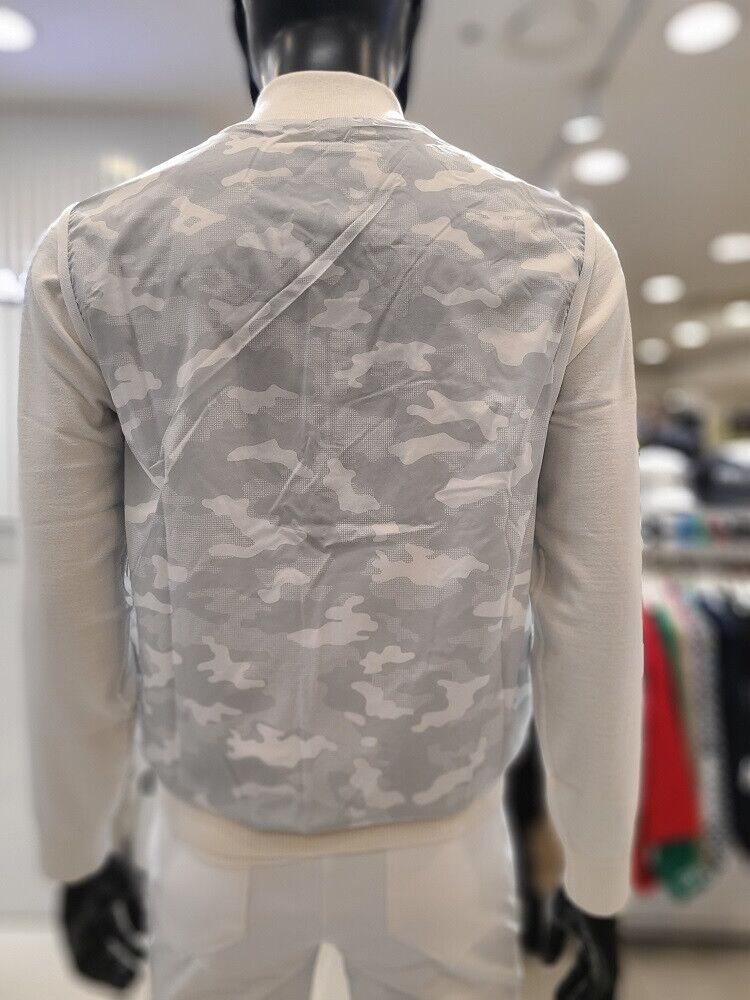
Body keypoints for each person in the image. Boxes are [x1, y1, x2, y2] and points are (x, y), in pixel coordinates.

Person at [17, 2, 644, 996]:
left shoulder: (92, 252)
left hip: (213, 847)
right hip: (444, 846)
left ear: (240, 23)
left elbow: (68, 594)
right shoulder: (557, 251)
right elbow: (594, 593)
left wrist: (79, 843)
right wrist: (597, 868)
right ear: (413, 22)